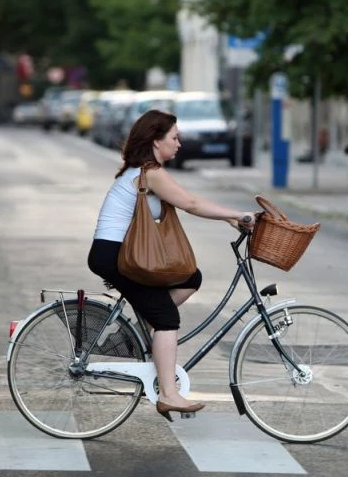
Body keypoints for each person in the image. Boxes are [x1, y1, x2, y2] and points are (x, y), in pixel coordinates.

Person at [87, 109, 256, 421]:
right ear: (155, 141)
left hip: (118, 254)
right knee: (167, 317)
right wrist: (240, 214)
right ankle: (168, 394)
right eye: (174, 138)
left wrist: (232, 220)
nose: (179, 144)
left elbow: (187, 200)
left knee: (191, 277)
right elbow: (191, 204)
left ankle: (148, 331)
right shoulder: (150, 173)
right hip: (113, 256)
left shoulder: (147, 171)